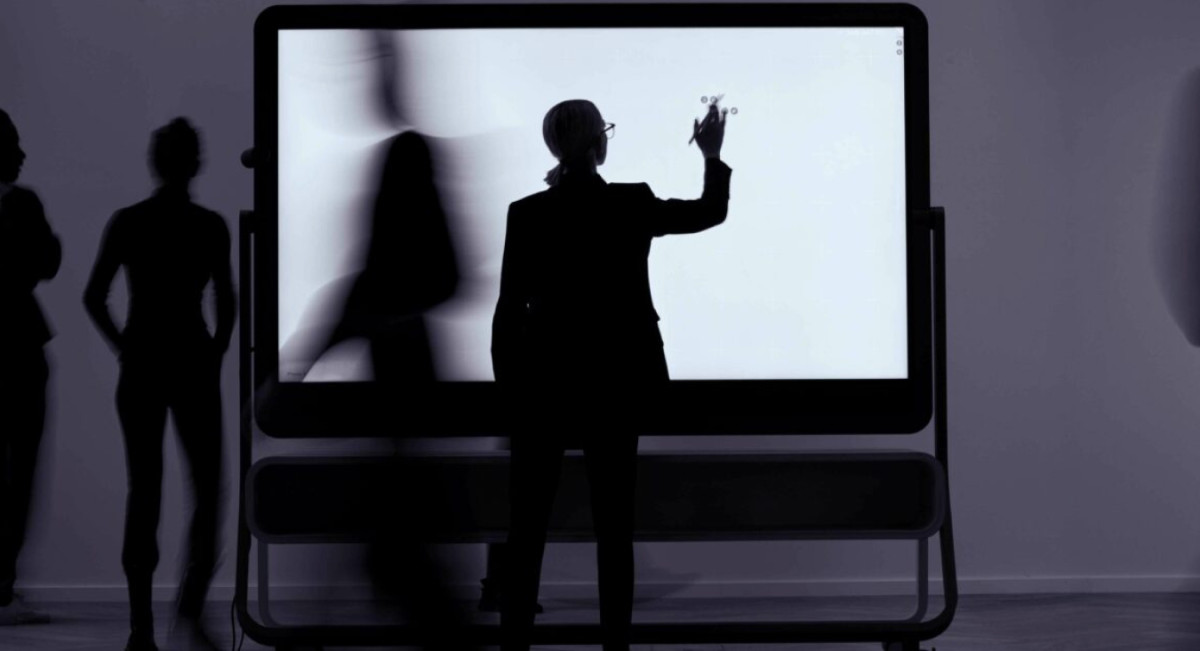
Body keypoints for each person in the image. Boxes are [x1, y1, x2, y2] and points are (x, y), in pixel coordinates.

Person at [492, 99, 731, 651]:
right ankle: (615, 646)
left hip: (544, 387)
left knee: (526, 529)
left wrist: (509, 392)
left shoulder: (526, 212)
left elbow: (509, 310)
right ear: (601, 144)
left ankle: (515, 644)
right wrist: (713, 156)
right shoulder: (632, 203)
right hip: (618, 385)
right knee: (614, 527)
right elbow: (708, 212)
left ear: (554, 146)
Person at [84, 118, 235, 651]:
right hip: (190, 359)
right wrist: (213, 352)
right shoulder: (211, 226)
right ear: (194, 163)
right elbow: (228, 302)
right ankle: (188, 611)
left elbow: (93, 297)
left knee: (144, 490)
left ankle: (141, 628)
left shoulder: (129, 222)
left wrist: (125, 345)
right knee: (207, 489)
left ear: (155, 162)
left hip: (145, 360)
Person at [0, 108, 60, 626]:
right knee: (17, 477)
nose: (22, 154)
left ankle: (3, 588)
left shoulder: (23, 203)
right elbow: (45, 262)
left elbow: (47, 263)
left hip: (21, 352)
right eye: (12, 144)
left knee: (18, 477)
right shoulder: (22, 205)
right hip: (19, 349)